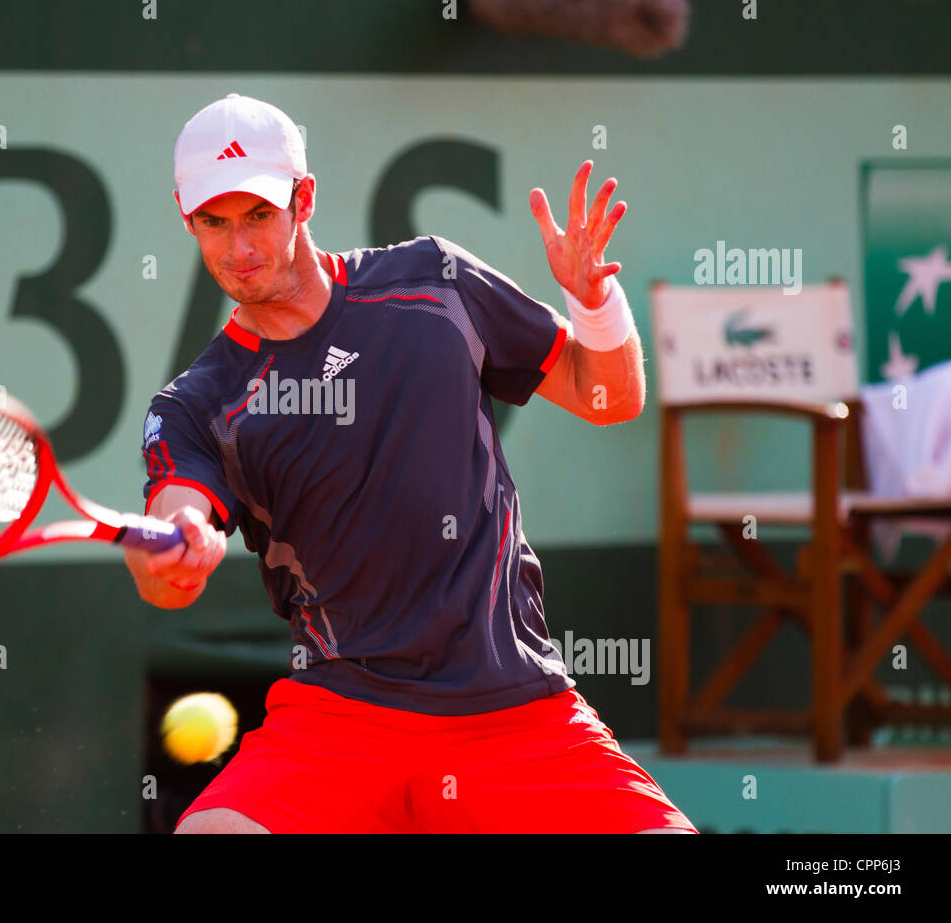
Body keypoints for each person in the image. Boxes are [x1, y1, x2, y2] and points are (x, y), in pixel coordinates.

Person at [125, 93, 695, 834]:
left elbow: (608, 396)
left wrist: (594, 303)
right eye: (214, 222)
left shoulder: (436, 283)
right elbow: (175, 528)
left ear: (304, 199)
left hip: (517, 708)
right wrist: (173, 553)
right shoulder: (197, 404)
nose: (238, 249)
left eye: (258, 215)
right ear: (185, 215)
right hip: (338, 717)